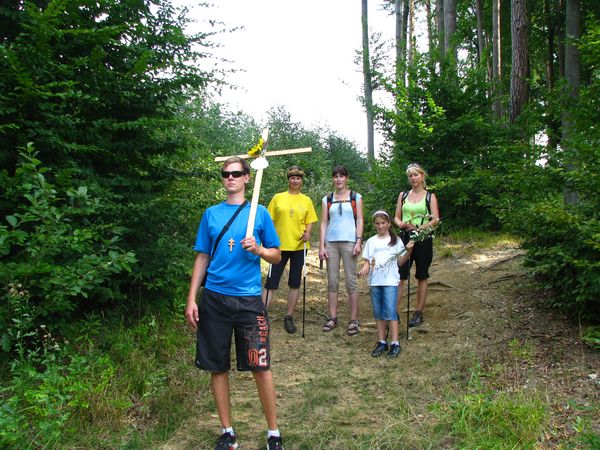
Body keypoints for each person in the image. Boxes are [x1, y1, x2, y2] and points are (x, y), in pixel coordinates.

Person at [185, 157, 285, 450]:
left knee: (260, 365)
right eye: (226, 174)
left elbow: (277, 256)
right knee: (217, 366)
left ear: (247, 178)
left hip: (249, 301)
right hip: (214, 299)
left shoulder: (260, 213)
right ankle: (227, 432)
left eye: (236, 173)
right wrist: (192, 297)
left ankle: (273, 433)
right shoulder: (211, 215)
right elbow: (202, 256)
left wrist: (260, 249)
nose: (230, 178)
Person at [263, 166, 318, 334]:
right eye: (293, 178)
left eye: (298, 178)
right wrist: (270, 239)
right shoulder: (278, 198)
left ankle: (289, 316)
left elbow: (310, 221)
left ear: (302, 181)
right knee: (271, 282)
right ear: (288, 179)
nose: (295, 181)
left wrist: (308, 233)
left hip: (299, 246)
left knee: (295, 282)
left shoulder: (306, 200)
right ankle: (260, 315)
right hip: (278, 246)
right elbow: (269, 219)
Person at [359, 211, 413, 358]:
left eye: (383, 223)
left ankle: (395, 343)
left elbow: (401, 261)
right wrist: (365, 268)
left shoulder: (395, 241)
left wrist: (409, 251)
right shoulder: (371, 241)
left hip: (390, 281)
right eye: (377, 223)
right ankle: (382, 341)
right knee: (378, 312)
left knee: (390, 311)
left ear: (389, 224)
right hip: (375, 281)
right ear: (374, 225)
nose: (380, 226)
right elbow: (367, 261)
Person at [318, 165, 364, 335]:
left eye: (341, 176)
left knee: (351, 281)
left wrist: (359, 241)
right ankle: (332, 317)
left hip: (350, 242)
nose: (338, 179)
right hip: (331, 243)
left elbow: (359, 220)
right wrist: (321, 245)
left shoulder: (355, 197)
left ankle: (354, 320)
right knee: (332, 280)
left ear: (347, 178)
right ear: (333, 179)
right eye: (335, 176)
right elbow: (323, 223)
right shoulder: (327, 199)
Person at [393, 163, 440, 328]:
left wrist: (419, 228)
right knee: (400, 275)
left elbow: (435, 219)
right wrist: (402, 224)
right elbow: (396, 218)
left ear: (422, 176)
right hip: (405, 238)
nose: (413, 178)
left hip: (423, 239)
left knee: (422, 275)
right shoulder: (403, 195)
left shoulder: (430, 196)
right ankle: (394, 312)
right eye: (410, 176)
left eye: (416, 175)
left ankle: (418, 312)